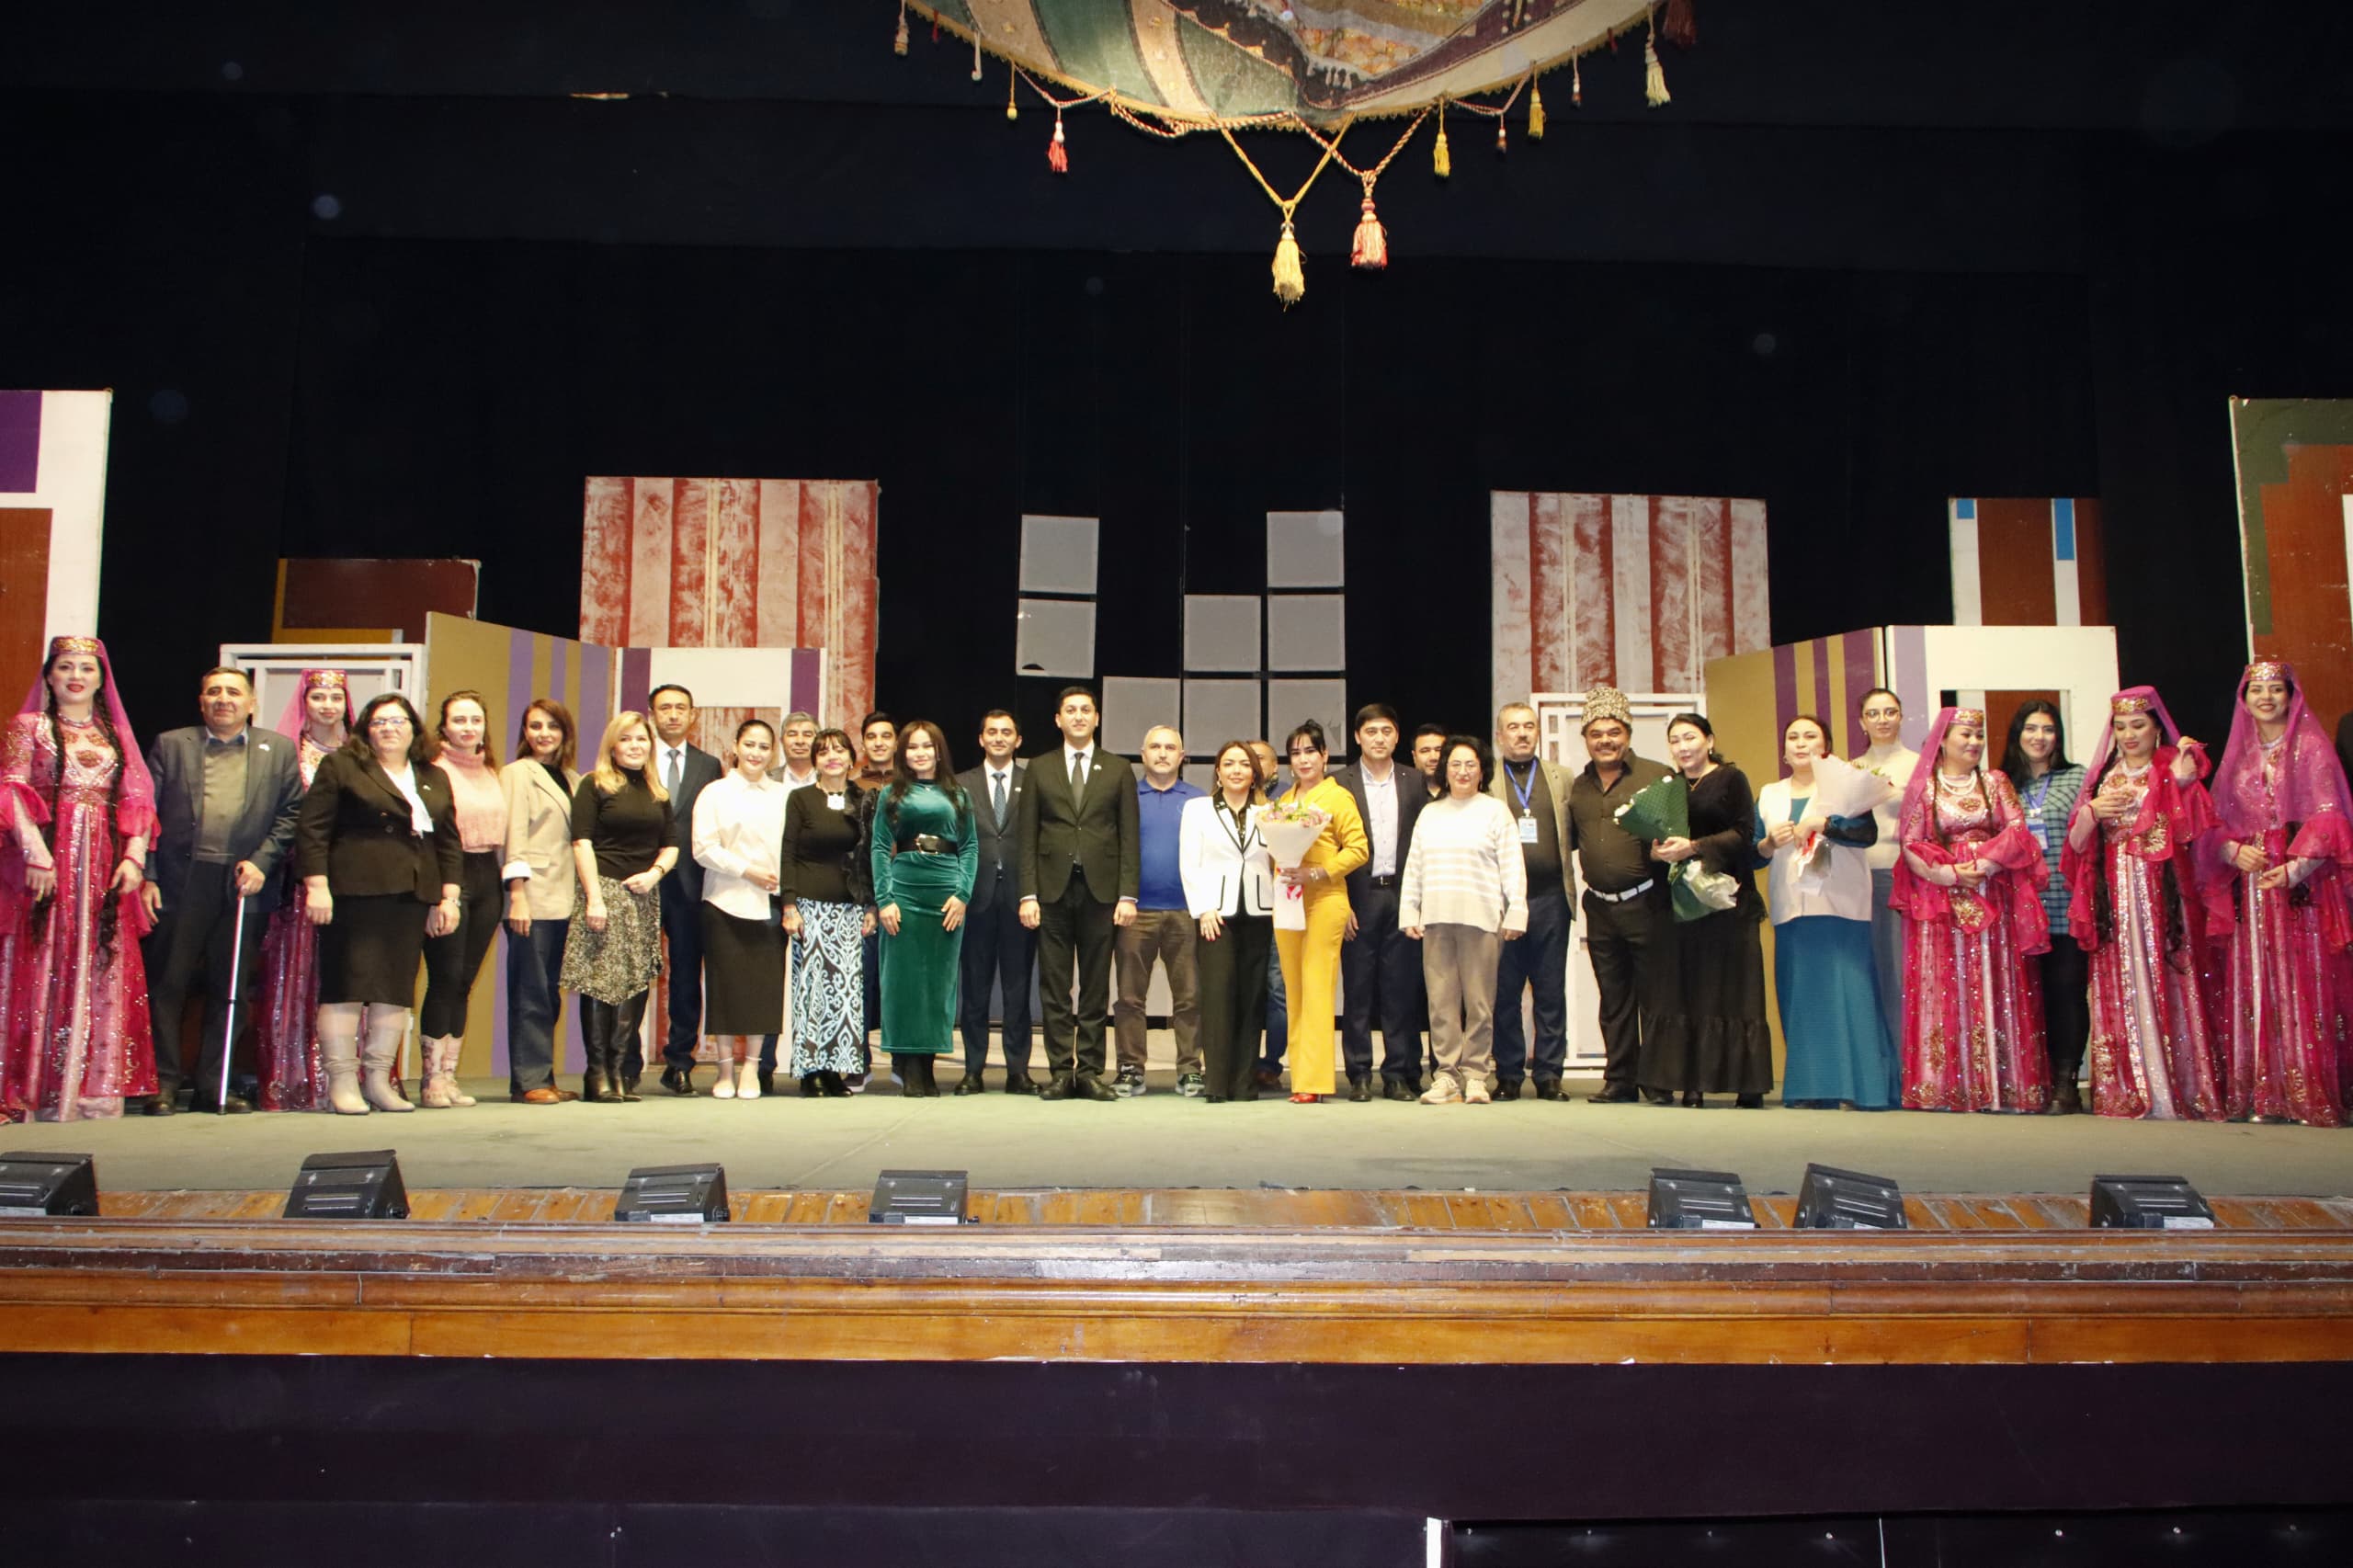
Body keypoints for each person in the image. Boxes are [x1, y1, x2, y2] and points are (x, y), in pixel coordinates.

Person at [0, 635, 159, 1123]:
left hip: (103, 864)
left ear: (101, 679)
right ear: (49, 676)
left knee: (99, 962)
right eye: (66, 666)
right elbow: (11, 790)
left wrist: (133, 859)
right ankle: (30, 1086)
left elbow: (138, 801)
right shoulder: (28, 727)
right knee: (38, 960)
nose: (76, 676)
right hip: (46, 858)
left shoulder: (116, 737)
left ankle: (91, 1088)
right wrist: (37, 855)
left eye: (87, 668)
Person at [139, 665, 302, 1116]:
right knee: (168, 984)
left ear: (251, 703)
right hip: (181, 881)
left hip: (245, 883)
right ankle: (163, 1084)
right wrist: (149, 875)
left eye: (233, 692)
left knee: (229, 987)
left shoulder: (278, 749)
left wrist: (263, 862)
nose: (223, 699)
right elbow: (145, 815)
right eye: (214, 691)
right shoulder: (172, 745)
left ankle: (216, 1085)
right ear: (201, 702)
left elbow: (291, 813)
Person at [297, 692, 462, 1116]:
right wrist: (316, 884)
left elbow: (448, 842)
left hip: (412, 895)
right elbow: (313, 829)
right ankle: (341, 1080)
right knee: (347, 986)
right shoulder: (342, 766)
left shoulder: (432, 775)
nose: (389, 729)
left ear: (414, 729)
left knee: (395, 989)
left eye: (398, 721)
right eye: (379, 722)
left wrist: (447, 897)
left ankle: (377, 1079)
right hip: (354, 892)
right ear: (366, 730)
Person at [2063, 687, 2223, 1120]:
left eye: (2138, 725)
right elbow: (2076, 844)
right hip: (2113, 889)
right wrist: (2092, 812)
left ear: (2156, 728)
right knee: (2119, 978)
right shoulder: (2104, 776)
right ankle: (2125, 1087)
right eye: (2120, 727)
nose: (2129, 734)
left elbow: (2192, 828)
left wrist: (2178, 780)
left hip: (2161, 889)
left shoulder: (2173, 766)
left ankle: (2176, 1085)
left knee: (2165, 972)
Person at [2200, 660, 2349, 1127]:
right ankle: (2264, 1094)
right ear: (2243, 700)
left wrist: (2296, 869)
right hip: (2252, 883)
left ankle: (2307, 1092)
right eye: (2256, 690)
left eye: (2275, 690)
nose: (2266, 698)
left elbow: (2329, 817)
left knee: (2303, 978)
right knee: (2256, 975)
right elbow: (2214, 826)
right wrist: (2231, 851)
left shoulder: (2312, 749)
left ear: (2291, 696)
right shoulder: (2239, 757)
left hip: (2301, 882)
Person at [1889, 707, 2052, 1113]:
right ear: (1942, 740)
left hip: (1991, 891)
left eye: (1979, 736)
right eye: (1965, 735)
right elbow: (1910, 843)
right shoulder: (1925, 788)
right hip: (1942, 900)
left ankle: (2001, 1085)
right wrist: (1948, 874)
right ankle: (1946, 1086)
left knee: (1995, 978)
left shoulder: (1995, 782)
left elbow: (2017, 830)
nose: (1975, 742)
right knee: (1944, 981)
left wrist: (1987, 864)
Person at [1755, 714, 1897, 1110]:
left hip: (1841, 905)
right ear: (1784, 750)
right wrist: (1769, 843)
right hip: (1792, 909)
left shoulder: (1846, 786)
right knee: (1803, 997)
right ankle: (1812, 1088)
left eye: (1810, 736)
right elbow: (1754, 853)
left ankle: (1862, 1089)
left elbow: (1865, 834)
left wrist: (1825, 823)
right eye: (1793, 737)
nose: (1801, 743)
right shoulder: (1769, 793)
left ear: (1826, 747)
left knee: (1849, 992)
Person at [1017, 685, 1140, 1102]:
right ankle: (1059, 1072)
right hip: (1051, 892)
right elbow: (1027, 836)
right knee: (1054, 987)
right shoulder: (1039, 768)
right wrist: (1027, 894)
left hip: (1101, 893)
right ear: (1058, 720)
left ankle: (1088, 1072)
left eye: (1086, 710)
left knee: (1094, 987)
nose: (1079, 716)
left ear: (1097, 718)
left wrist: (1128, 894)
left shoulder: (1118, 769)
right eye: (1070, 710)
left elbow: (1129, 837)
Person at [1641, 713, 1770, 1108]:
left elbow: (1744, 834)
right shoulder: (1669, 786)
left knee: (1734, 988)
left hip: (1727, 899)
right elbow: (1655, 839)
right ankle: (1691, 1083)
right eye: (1675, 740)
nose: (1683, 747)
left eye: (1690, 738)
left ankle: (1747, 1084)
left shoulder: (1732, 779)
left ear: (1709, 741)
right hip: (1682, 901)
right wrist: (1658, 852)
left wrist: (1695, 847)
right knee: (1687, 990)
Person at [1566, 687, 1677, 1104]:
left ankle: (1659, 1081)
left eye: (1613, 732)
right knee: (1613, 998)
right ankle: (1620, 1080)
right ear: (1586, 738)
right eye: (1596, 734)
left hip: (1648, 902)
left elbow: (1678, 835)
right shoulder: (1578, 787)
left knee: (1656, 997)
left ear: (1628, 734)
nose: (1605, 741)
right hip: (1600, 907)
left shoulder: (1657, 776)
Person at [562, 710, 679, 1104]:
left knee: (635, 983)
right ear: (612, 746)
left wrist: (654, 874)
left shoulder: (657, 792)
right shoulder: (594, 784)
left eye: (641, 739)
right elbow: (581, 842)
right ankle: (596, 1073)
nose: (634, 746)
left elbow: (671, 845)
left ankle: (618, 1071)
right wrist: (594, 897)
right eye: (626, 739)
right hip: (605, 893)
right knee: (601, 983)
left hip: (643, 896)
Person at [1401, 736, 1527, 1105]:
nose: (1462, 772)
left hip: (1481, 918)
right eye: (1455, 764)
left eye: (1470, 765)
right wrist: (1409, 910)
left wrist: (1517, 909)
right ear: (1445, 770)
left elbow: (1512, 865)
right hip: (1437, 918)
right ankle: (1445, 1076)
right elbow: (1414, 866)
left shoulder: (1495, 811)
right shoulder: (1431, 813)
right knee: (1441, 1004)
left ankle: (1475, 1075)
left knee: (1480, 1004)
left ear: (1482, 770)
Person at [254, 668, 350, 1110]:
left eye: (335, 697)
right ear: (304, 703)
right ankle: (293, 1079)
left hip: (353, 881)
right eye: (318, 697)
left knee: (347, 974)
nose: (327, 705)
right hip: (299, 881)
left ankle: (344, 1078)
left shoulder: (360, 753)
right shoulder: (287, 754)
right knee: (295, 973)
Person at [871, 720, 978, 1096]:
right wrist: (885, 900)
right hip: (904, 892)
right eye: (912, 747)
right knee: (903, 983)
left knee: (937, 983)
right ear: (903, 754)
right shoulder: (892, 794)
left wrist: (962, 895)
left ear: (938, 751)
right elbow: (879, 847)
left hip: (945, 896)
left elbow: (970, 847)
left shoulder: (958, 794)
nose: (920, 753)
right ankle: (910, 1069)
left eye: (926, 746)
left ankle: (928, 1066)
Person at [1269, 719, 1369, 1104]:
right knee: (1293, 988)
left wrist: (1317, 872)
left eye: (1310, 751)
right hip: (1288, 898)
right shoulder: (1283, 801)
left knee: (1316, 988)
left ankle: (1315, 1080)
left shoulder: (1338, 797)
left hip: (1325, 899)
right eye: (1295, 753)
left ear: (1325, 756)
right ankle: (1300, 1076)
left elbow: (1358, 850)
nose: (1303, 759)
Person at [1333, 703, 1427, 1101]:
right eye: (1371, 731)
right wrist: (1341, 904)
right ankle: (1358, 1073)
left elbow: (1423, 844)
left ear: (1396, 737)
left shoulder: (1415, 781)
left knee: (1399, 990)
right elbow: (1330, 848)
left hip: (1402, 894)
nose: (1379, 738)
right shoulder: (1339, 783)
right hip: (1359, 896)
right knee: (1357, 991)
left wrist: (1419, 902)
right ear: (1358, 737)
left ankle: (1397, 1074)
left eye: (1386, 731)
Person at [415, 690, 504, 1109]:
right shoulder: (432, 771)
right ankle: (431, 1077)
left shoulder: (491, 771)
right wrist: (440, 896)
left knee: (464, 982)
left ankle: (449, 1075)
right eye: (459, 720)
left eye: (475, 720)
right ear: (444, 727)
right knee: (445, 977)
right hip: (449, 875)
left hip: (488, 876)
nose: (468, 728)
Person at [693, 719, 790, 1100]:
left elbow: (791, 849)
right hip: (724, 900)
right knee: (724, 988)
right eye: (749, 744)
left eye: (764, 747)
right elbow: (703, 847)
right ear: (735, 746)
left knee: (763, 990)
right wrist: (747, 871)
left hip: (769, 903)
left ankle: (751, 1067)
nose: (756, 753)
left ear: (772, 752)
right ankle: (724, 1070)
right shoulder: (714, 793)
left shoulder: (783, 795)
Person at [2001, 699, 2090, 1114]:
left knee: (2065, 992)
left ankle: (2066, 1083)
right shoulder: (2002, 785)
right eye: (2031, 728)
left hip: (2065, 904)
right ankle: (2031, 1081)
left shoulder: (2078, 779)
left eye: (2048, 729)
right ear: (2017, 735)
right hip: (2017, 909)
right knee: (2027, 998)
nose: (2039, 737)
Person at [780, 728, 877, 1096]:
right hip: (810, 907)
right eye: (824, 752)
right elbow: (788, 852)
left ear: (852, 758)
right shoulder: (801, 799)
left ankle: (836, 1069)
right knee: (813, 992)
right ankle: (811, 1072)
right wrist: (789, 904)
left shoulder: (865, 800)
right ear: (815, 761)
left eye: (839, 750)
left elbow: (870, 856)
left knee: (846, 995)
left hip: (850, 909)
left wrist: (871, 904)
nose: (832, 757)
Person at [1487, 701, 1575, 1101]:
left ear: (1537, 732)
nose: (1522, 734)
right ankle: (1508, 1073)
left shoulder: (1562, 777)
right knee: (1505, 991)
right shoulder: (1487, 779)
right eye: (1513, 727)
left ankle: (1549, 1074)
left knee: (1550, 990)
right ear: (1499, 736)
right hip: (1502, 902)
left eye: (1528, 726)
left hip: (1551, 898)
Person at [1180, 739, 1277, 1103]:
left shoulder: (1269, 812)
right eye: (1229, 764)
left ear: (1255, 774)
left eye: (1244, 764)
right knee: (1218, 996)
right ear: (1218, 772)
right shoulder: (1198, 809)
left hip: (1259, 911)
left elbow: (1279, 859)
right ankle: (1218, 1083)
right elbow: (1189, 863)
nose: (1237, 770)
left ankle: (1244, 1083)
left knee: (1253, 999)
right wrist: (1203, 908)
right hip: (1215, 915)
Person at [1114, 724, 1205, 1096]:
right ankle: (1131, 1069)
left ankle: (1190, 1069)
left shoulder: (1198, 800)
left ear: (1182, 756)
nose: (1163, 753)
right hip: (1135, 912)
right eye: (1155, 746)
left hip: (1186, 912)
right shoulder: (1126, 797)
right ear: (1143, 754)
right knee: (1129, 998)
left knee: (1190, 997)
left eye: (1170, 747)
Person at [500, 698, 581, 1104]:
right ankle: (529, 1080)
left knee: (549, 992)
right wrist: (517, 895)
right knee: (530, 991)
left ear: (565, 733)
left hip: (566, 897)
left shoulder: (573, 778)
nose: (544, 734)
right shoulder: (517, 773)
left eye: (552, 726)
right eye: (535, 726)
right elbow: (512, 834)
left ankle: (543, 1076)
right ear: (524, 732)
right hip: (532, 896)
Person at [952, 710, 1037, 1094]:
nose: (999, 738)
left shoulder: (1032, 781)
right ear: (981, 739)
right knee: (975, 990)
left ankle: (1018, 1071)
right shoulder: (960, 784)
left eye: (1006, 732)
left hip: (1021, 899)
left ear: (1018, 740)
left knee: (1018, 991)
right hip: (975, 899)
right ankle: (973, 1069)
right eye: (992, 732)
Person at [646, 684, 720, 1096]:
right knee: (632, 973)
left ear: (693, 715)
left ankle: (679, 1062)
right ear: (652, 714)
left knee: (687, 976)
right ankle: (623, 1063)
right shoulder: (635, 758)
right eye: (664, 708)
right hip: (640, 881)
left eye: (680, 708)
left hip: (690, 885)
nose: (672, 714)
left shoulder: (709, 766)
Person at [752, 708, 823, 1092]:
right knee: (767, 980)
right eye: (792, 734)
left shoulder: (831, 782)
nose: (800, 740)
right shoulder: (766, 782)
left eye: (807, 733)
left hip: (817, 894)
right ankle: (762, 1065)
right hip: (770, 893)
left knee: (815, 983)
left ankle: (813, 1064)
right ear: (782, 741)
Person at [1856, 687, 1918, 1052]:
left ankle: (1906, 1066)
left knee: (1901, 974)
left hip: (1902, 878)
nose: (1882, 720)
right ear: (1862, 722)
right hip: (1857, 881)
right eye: (1873, 714)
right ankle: (1876, 1066)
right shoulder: (1851, 769)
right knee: (1868, 974)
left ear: (1901, 717)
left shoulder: (1921, 765)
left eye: (1890, 712)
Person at [851, 709, 898, 1085]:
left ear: (896, 742)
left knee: (901, 983)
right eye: (872, 737)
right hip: (862, 902)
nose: (879, 743)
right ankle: (858, 1061)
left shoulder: (914, 785)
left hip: (908, 896)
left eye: (886, 736)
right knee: (860, 982)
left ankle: (903, 1062)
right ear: (863, 743)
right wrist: (868, 898)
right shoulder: (850, 787)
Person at [1247, 737, 1290, 1088]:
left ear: (1275, 766)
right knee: (1243, 988)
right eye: (1247, 758)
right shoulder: (1228, 800)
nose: (1253, 763)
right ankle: (1242, 1060)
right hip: (1241, 908)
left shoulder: (1291, 800)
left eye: (1261, 758)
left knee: (1278, 991)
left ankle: (1271, 1063)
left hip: (1281, 908)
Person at [1412, 724, 1449, 801]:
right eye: (1425, 751)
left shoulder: (1460, 790)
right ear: (1414, 756)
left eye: (1439, 750)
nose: (1433, 757)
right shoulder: (1404, 792)